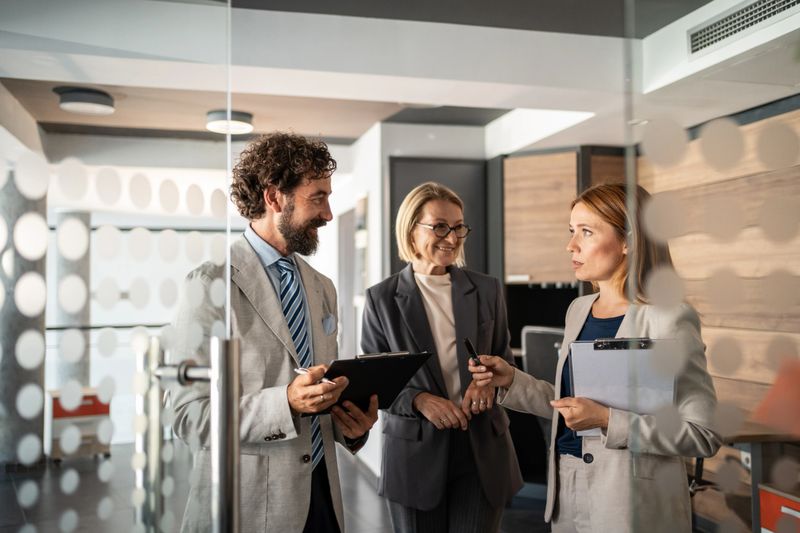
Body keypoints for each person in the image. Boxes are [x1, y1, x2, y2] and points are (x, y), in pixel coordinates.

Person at [469, 183, 721, 533]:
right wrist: (512, 380)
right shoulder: (579, 310)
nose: (571, 245)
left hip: (632, 503)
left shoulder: (668, 318)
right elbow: (573, 407)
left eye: (586, 232)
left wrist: (607, 419)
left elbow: (702, 433)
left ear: (628, 240)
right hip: (568, 488)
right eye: (572, 231)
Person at [169, 132, 378, 533]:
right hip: (251, 508)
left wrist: (350, 428)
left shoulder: (322, 288)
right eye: (317, 197)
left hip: (323, 500)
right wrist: (286, 402)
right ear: (274, 197)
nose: (329, 213)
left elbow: (319, 394)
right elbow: (188, 416)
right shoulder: (209, 285)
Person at [361, 182, 523, 533]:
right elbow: (374, 381)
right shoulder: (381, 300)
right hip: (415, 454)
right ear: (411, 228)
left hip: (481, 449)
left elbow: (503, 361)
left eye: (458, 226)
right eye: (439, 226)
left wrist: (488, 385)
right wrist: (419, 400)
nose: (452, 237)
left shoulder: (487, 289)